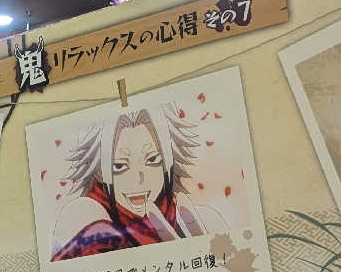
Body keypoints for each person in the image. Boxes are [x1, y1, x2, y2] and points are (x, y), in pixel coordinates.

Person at [51, 104, 227, 260]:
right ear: (99, 172)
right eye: (119, 166)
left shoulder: (204, 221)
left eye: (153, 160)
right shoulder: (84, 216)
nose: (138, 179)